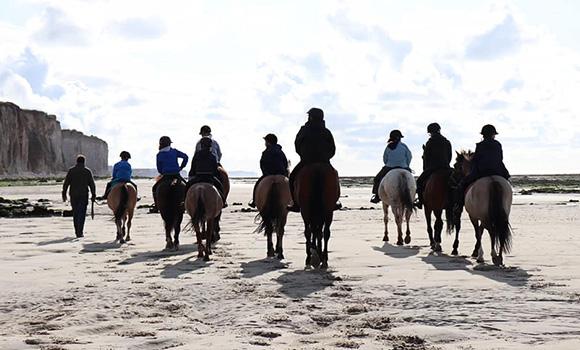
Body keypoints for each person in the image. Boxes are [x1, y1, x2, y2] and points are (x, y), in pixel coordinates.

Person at [287, 107, 339, 212]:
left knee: (292, 178)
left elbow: (297, 145)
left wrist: (304, 156)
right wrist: (326, 157)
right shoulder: (326, 132)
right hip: (324, 162)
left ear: (310, 117)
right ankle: (334, 202)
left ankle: (295, 204)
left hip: (307, 161)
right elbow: (332, 149)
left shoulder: (304, 130)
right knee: (335, 177)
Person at [453, 124, 510, 212]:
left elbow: (477, 160)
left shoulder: (480, 145)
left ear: (483, 135)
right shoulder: (498, 144)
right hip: (498, 171)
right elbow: (500, 159)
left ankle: (458, 206)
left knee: (462, 185)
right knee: (507, 184)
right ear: (493, 135)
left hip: (482, 171)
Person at [414, 123, 453, 209]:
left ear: (430, 132)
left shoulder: (430, 143)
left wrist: (426, 169)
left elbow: (426, 158)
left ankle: (420, 202)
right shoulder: (447, 142)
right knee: (457, 182)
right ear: (439, 130)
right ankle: (458, 202)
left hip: (432, 168)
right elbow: (450, 156)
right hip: (446, 167)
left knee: (419, 182)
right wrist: (446, 164)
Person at [370, 129, 412, 203]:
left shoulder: (389, 147)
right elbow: (409, 156)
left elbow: (385, 159)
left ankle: (377, 196)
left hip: (389, 167)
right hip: (403, 167)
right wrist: (407, 165)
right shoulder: (404, 146)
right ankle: (414, 194)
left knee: (377, 179)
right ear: (400, 138)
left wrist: (389, 164)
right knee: (412, 180)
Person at [248, 133, 289, 208]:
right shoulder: (281, 152)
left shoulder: (266, 152)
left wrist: (265, 173)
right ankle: (293, 201)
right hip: (281, 174)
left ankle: (254, 201)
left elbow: (262, 164)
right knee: (290, 185)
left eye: (266, 141)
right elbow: (285, 163)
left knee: (257, 184)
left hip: (268, 174)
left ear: (268, 142)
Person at [62, 155, 96, 238]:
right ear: (84, 162)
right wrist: (93, 194)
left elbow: (66, 183)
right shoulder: (87, 171)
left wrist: (64, 193)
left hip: (73, 194)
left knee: (75, 213)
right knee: (82, 213)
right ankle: (80, 232)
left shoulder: (71, 171)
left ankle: (77, 231)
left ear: (77, 161)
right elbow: (92, 184)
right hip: (83, 194)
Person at [187, 137, 227, 207]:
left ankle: (184, 201)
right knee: (220, 187)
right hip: (209, 178)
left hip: (198, 177)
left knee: (187, 186)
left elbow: (193, 168)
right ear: (210, 146)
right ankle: (223, 201)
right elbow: (215, 169)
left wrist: (192, 176)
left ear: (201, 146)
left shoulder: (196, 155)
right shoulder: (213, 156)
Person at [152, 136, 189, 202]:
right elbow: (185, 157)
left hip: (166, 175)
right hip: (176, 174)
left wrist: (162, 172)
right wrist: (181, 167)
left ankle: (156, 206)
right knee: (187, 187)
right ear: (169, 143)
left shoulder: (159, 154)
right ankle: (186, 203)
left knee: (154, 188)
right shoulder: (174, 151)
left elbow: (159, 168)